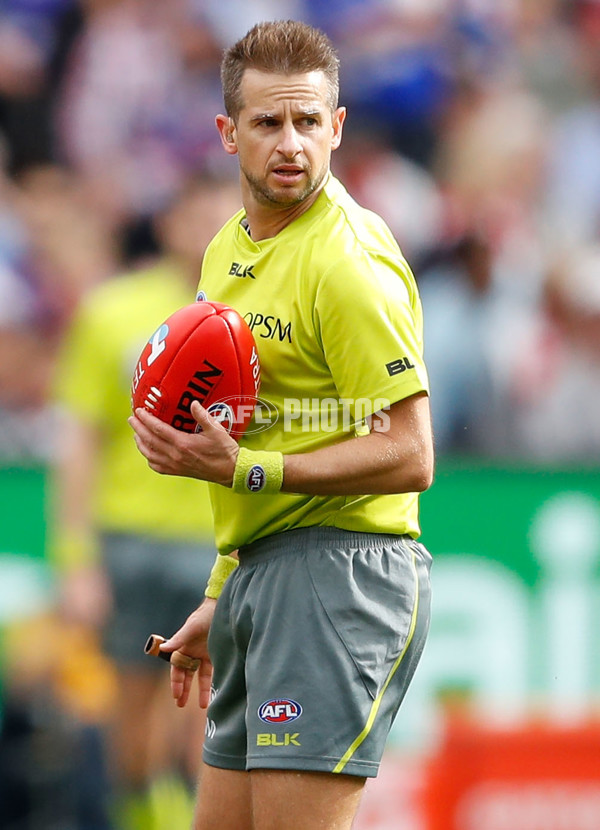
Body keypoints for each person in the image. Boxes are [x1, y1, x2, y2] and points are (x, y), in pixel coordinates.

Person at [129, 20, 434, 830]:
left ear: (337, 127)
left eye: (308, 122)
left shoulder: (347, 262)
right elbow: (262, 430)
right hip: (262, 575)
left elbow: (411, 453)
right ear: (229, 135)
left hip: (341, 574)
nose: (291, 143)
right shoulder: (225, 251)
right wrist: (224, 591)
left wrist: (247, 472)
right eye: (268, 123)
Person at [50, 172, 241, 829]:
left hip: (216, 541)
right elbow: (78, 438)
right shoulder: (111, 310)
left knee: (204, 707)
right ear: (169, 222)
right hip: (128, 536)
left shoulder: (258, 313)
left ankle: (179, 816)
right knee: (131, 708)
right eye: (196, 209)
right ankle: (141, 814)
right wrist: (76, 557)